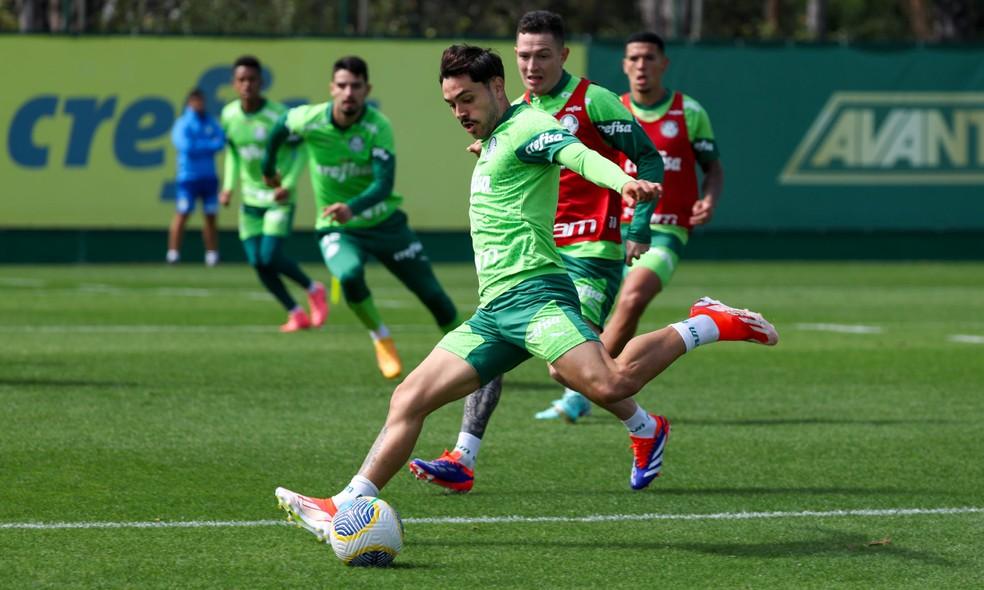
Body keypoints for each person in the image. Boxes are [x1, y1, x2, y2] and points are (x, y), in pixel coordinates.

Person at [273, 45, 777, 541]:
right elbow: (514, 144)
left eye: (467, 99)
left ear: (497, 88)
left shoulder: (532, 127)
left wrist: (621, 182)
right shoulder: (498, 134)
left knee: (612, 383)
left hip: (537, 298)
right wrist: (486, 138)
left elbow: (573, 152)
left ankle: (711, 322)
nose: (459, 113)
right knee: (409, 397)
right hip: (495, 312)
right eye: (451, 104)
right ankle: (343, 504)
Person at [407, 10, 667, 494]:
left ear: (563, 55)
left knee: (563, 368)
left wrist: (639, 224)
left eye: (542, 55)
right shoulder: (512, 110)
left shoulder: (596, 101)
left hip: (590, 250)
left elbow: (646, 155)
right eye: (523, 55)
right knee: (493, 339)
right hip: (535, 254)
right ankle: (463, 455)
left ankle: (647, 423)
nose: (532, 64)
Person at [262, 56, 458, 379]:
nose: (348, 92)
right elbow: (279, 128)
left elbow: (384, 185)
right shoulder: (310, 119)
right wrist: (268, 170)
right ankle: (380, 337)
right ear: (331, 89)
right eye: (342, 85)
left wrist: (351, 206)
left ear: (367, 89)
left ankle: (476, 360)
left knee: (433, 295)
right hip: (337, 228)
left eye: (355, 86)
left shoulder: (377, 127)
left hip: (386, 224)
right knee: (350, 274)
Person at [601, 31, 725, 359]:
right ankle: (595, 382)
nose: (641, 65)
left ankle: (581, 391)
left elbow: (712, 168)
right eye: (634, 58)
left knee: (632, 299)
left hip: (665, 231)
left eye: (649, 57)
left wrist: (708, 199)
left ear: (664, 64)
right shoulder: (611, 109)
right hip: (611, 229)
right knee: (592, 312)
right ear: (624, 65)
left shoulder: (689, 112)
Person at [219, 55, 327, 333]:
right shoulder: (229, 115)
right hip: (250, 199)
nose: (247, 85)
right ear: (233, 83)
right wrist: (228, 186)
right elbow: (233, 153)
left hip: (278, 198)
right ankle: (295, 313)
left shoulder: (278, 116)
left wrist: (287, 184)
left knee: (269, 256)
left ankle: (313, 289)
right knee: (257, 261)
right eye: (241, 80)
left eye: (252, 80)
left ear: (261, 82)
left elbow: (300, 149)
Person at [167, 89, 225, 266]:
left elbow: (221, 142)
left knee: (210, 215)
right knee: (183, 213)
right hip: (188, 178)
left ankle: (211, 254)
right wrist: (208, 145)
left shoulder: (210, 121)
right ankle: (173, 253)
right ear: (189, 103)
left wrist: (201, 145)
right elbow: (185, 147)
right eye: (196, 101)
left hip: (209, 177)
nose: (200, 105)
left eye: (202, 101)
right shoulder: (183, 123)